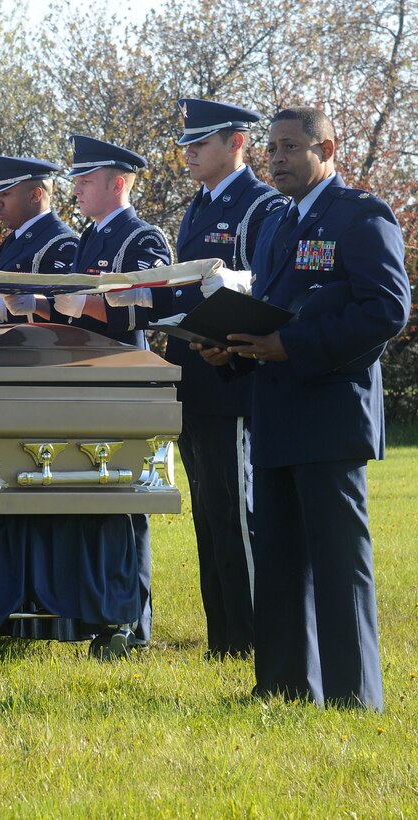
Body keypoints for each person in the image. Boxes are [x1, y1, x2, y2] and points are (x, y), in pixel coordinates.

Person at [197, 107, 410, 710]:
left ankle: (353, 698)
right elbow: (268, 310)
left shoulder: (361, 215)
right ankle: (286, 691)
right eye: (271, 150)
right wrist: (230, 350)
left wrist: (290, 345)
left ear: (328, 148)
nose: (278, 159)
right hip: (275, 415)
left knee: (339, 568)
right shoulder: (275, 226)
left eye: (291, 147)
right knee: (282, 564)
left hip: (330, 417)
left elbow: (385, 310)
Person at [168, 99, 289, 659]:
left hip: (232, 379)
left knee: (238, 515)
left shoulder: (260, 205)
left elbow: (265, 287)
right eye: (187, 142)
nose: (189, 151)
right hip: (193, 378)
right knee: (209, 513)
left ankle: (253, 638)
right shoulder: (196, 207)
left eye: (202, 141)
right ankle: (224, 637)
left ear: (236, 142)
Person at [50, 135, 173, 648]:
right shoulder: (87, 239)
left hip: (121, 382)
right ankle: (91, 614)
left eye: (85, 179)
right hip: (83, 379)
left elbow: (156, 302)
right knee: (85, 499)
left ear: (117, 183)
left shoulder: (142, 238)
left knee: (123, 500)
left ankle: (128, 624)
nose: (75, 188)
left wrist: (85, 304)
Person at [0, 155, 78, 325]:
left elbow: (67, 313)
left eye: (5, 194)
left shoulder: (61, 243)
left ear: (35, 195)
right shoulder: (13, 241)